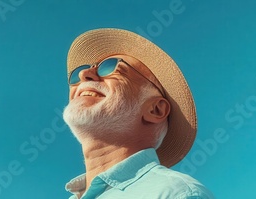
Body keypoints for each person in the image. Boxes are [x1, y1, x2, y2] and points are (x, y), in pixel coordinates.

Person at [63, 28, 215, 199]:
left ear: (155, 110)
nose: (84, 74)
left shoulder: (176, 194)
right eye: (78, 73)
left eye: (110, 66)